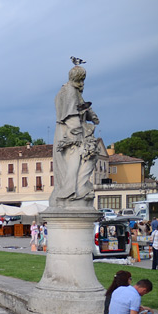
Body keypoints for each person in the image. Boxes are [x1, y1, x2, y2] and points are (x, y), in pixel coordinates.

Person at [50, 65, 106, 208]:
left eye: (83, 81)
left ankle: (75, 190)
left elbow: (79, 108)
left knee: (81, 162)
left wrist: (90, 115)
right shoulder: (69, 92)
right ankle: (71, 192)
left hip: (70, 134)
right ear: (75, 79)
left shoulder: (72, 92)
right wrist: (80, 135)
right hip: (71, 135)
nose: (82, 84)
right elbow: (71, 117)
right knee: (76, 163)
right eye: (80, 81)